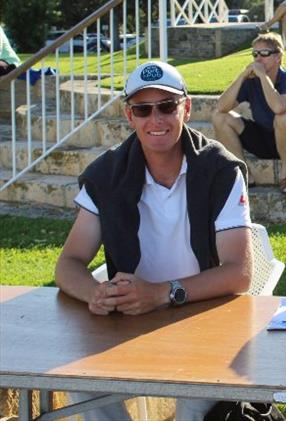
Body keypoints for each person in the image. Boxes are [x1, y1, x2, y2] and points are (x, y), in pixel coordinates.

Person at [55, 61, 253, 420]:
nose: (155, 119)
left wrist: (162, 293)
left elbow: (238, 273)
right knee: (80, 379)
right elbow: (69, 263)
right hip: (131, 323)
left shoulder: (220, 171)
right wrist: (95, 293)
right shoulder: (106, 174)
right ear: (129, 116)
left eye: (167, 106)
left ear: (187, 108)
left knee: (194, 405)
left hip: (204, 320)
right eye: (143, 109)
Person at [213, 32, 286, 194]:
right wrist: (242, 77)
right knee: (220, 117)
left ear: (278, 57)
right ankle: (243, 174)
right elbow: (221, 107)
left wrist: (263, 77)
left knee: (283, 117)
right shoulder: (251, 80)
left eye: (264, 53)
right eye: (255, 54)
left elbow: (279, 108)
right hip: (264, 139)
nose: (258, 58)